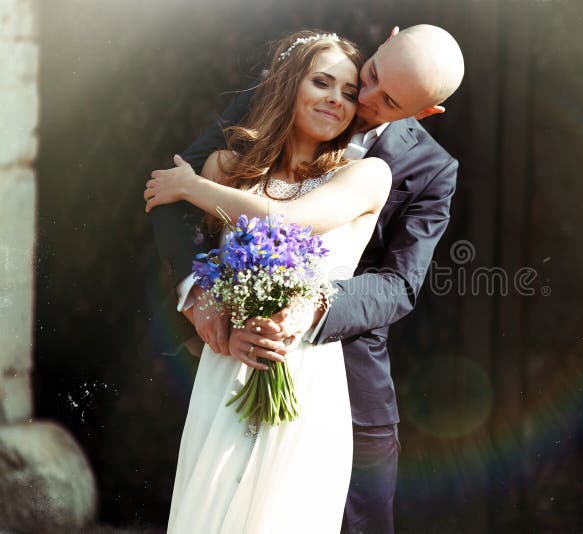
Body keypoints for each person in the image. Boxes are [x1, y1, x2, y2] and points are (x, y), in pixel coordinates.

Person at [150, 24, 464, 533]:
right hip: (237, 347)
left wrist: (310, 308)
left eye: (389, 101)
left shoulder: (428, 168)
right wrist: (199, 295)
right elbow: (177, 191)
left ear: (424, 113)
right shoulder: (299, 84)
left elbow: (400, 284)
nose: (362, 98)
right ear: (387, 39)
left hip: (345, 373)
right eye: (373, 76)